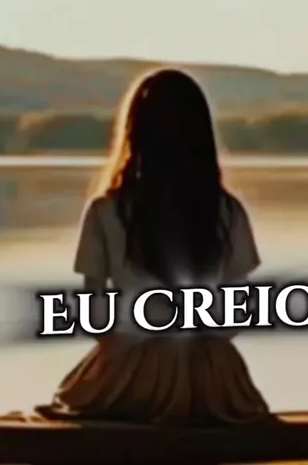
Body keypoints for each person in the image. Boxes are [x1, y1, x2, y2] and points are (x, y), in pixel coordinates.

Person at [49, 68, 269, 425]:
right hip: (212, 380)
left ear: (134, 133)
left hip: (132, 367)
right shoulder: (228, 211)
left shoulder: (105, 210)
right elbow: (236, 317)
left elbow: (96, 320)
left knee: (70, 399)